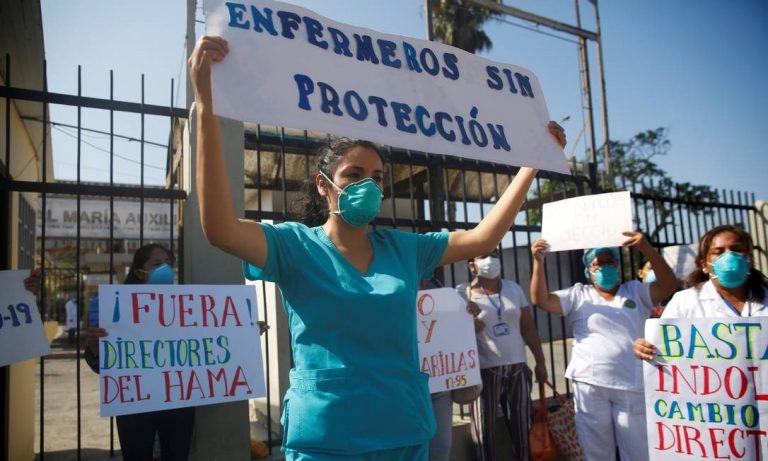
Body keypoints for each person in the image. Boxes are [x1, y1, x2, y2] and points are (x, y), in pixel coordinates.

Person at [188, 35, 566, 461]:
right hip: (326, 440)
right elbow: (219, 229)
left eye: (377, 177)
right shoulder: (293, 245)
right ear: (323, 185)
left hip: (402, 433)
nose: (367, 185)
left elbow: (483, 238)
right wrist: (206, 104)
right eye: (353, 175)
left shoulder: (405, 249)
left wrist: (531, 165)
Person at [530, 232, 677, 461]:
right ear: (588, 270)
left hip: (631, 384)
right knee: (596, 452)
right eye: (597, 264)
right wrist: (538, 262)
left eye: (609, 262)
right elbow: (541, 300)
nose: (603, 268)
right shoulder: (578, 295)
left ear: (617, 265)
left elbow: (669, 285)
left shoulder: (635, 291)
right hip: (590, 384)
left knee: (638, 451)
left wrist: (647, 248)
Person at [85, 244, 196, 461]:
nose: (165, 269)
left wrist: (242, 331)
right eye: (157, 264)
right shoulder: (116, 307)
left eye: (169, 264)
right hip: (134, 404)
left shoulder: (187, 307)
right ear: (139, 271)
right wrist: (95, 348)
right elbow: (100, 366)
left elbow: (207, 343)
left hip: (177, 403)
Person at [457, 250, 547, 461]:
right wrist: (466, 321)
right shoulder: (462, 293)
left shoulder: (513, 289)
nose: (491, 260)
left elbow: (528, 327)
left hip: (517, 368)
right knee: (483, 431)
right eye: (483, 256)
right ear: (472, 265)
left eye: (495, 255)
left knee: (522, 427)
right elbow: (452, 331)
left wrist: (540, 362)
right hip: (483, 372)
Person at [633, 225, 768, 361]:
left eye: (737, 250)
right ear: (704, 264)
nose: (729, 256)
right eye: (719, 252)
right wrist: (644, 347)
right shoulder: (684, 302)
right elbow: (663, 348)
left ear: (748, 258)